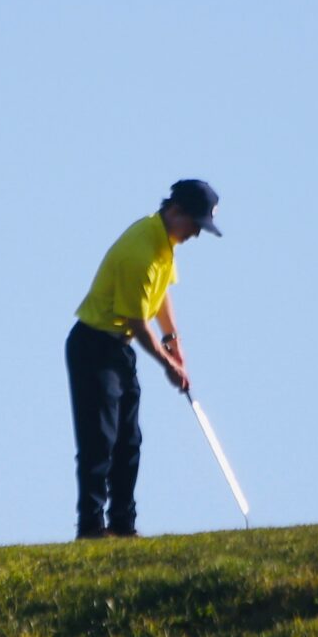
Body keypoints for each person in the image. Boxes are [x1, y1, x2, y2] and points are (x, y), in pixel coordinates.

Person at [65, 179, 221, 540]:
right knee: (98, 440)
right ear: (176, 211)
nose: (197, 233)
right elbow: (136, 319)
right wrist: (169, 365)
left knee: (128, 441)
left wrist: (173, 341)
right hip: (93, 345)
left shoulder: (164, 243)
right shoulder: (141, 251)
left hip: (120, 348)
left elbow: (162, 292)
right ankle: (90, 528)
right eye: (195, 224)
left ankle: (122, 525)